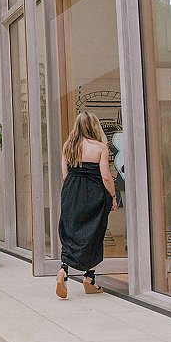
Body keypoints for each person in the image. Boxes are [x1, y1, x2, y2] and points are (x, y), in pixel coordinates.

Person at [56, 111, 117, 298]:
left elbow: (65, 174)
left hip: (71, 192)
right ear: (94, 126)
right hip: (94, 194)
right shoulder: (100, 147)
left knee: (70, 231)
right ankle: (89, 279)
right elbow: (106, 176)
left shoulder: (69, 147)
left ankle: (64, 270)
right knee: (94, 232)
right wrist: (113, 197)